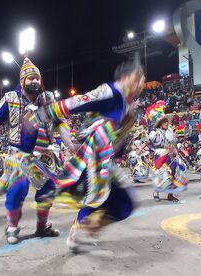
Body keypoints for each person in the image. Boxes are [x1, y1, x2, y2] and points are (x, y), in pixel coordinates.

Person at [36, 60, 145, 253]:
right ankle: (73, 231)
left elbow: (112, 134)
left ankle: (80, 232)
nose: (142, 84)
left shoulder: (123, 103)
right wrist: (45, 113)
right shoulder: (110, 90)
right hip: (91, 157)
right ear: (127, 77)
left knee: (122, 203)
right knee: (108, 197)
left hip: (101, 158)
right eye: (139, 79)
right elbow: (78, 101)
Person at [0, 57, 65, 244]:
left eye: (37, 78)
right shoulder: (10, 98)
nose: (35, 81)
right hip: (18, 155)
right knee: (17, 190)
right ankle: (12, 227)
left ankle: (42, 226)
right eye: (30, 78)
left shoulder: (49, 98)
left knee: (47, 191)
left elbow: (60, 122)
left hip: (44, 155)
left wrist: (70, 144)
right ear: (22, 81)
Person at [147, 101, 188, 202]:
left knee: (173, 174)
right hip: (161, 155)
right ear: (160, 123)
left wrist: (176, 151)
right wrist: (170, 148)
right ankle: (156, 192)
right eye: (164, 122)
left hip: (171, 156)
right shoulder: (154, 133)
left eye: (167, 121)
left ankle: (170, 194)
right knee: (161, 174)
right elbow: (158, 143)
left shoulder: (170, 132)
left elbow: (174, 143)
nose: (167, 123)